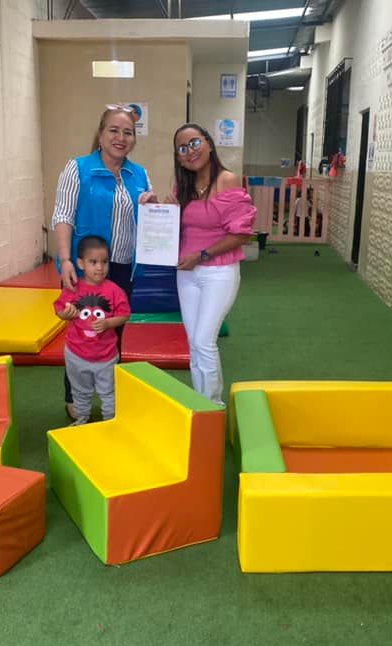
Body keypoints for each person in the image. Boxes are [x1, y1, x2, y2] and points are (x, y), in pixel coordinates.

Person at [51, 104, 154, 419]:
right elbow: (63, 214)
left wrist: (153, 207)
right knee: (81, 332)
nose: (121, 138)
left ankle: (109, 396)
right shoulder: (78, 168)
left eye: (128, 132)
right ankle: (74, 395)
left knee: (112, 333)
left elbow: (148, 222)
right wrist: (66, 260)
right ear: (100, 134)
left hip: (122, 269)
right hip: (86, 269)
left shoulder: (139, 175)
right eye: (114, 130)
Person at [171, 123, 256, 406]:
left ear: (208, 143)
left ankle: (212, 407)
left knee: (204, 341)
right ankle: (200, 404)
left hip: (219, 272)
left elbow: (242, 234)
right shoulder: (182, 187)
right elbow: (175, 231)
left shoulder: (226, 180)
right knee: (194, 343)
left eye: (195, 143)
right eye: (182, 149)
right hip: (187, 274)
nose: (190, 151)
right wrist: (158, 208)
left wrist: (202, 255)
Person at [53, 236, 130, 425]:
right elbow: (60, 311)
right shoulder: (73, 288)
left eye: (104, 262)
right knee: (80, 392)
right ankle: (82, 420)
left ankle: (110, 422)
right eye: (93, 262)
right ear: (81, 263)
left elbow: (124, 314)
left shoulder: (114, 290)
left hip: (106, 356)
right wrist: (66, 314)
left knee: (109, 392)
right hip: (76, 354)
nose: (100, 268)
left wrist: (108, 323)